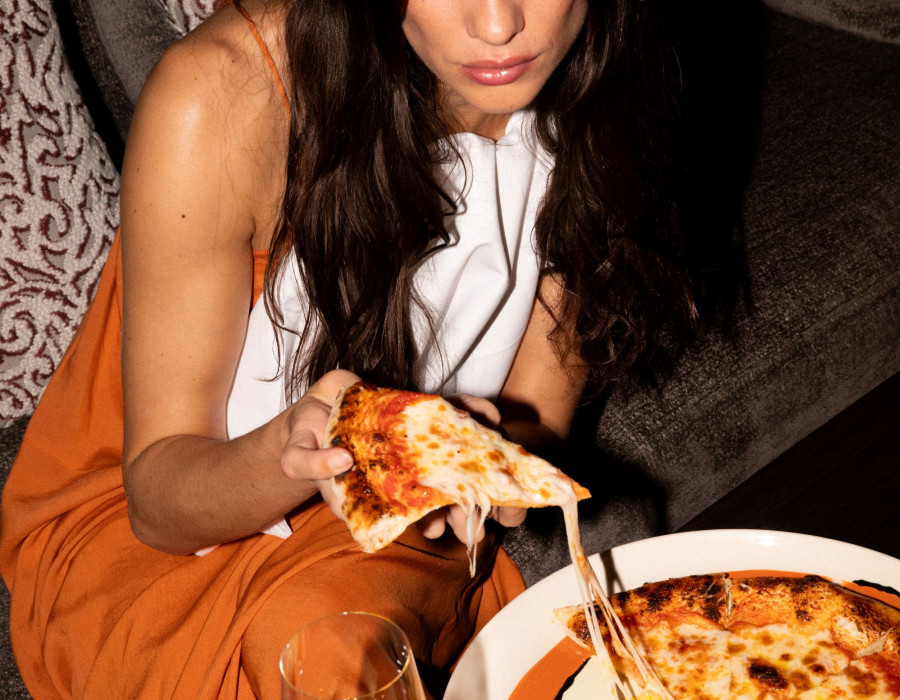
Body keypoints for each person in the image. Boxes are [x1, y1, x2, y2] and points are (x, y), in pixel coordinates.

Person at [0, 0, 694, 697]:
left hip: (388, 530)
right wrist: (303, 454)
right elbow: (157, 502)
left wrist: (475, 458)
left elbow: (536, 418)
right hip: (166, 524)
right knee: (328, 649)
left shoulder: (609, 65)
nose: (495, 24)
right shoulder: (221, 95)